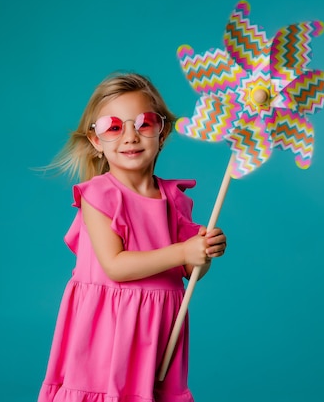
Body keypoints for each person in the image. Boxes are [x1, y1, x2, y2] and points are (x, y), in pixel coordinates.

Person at [38, 72, 227, 402]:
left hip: (157, 329)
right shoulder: (99, 196)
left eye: (144, 124)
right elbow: (115, 266)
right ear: (96, 141)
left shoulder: (174, 197)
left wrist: (203, 252)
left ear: (162, 132)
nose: (130, 137)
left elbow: (188, 270)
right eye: (114, 127)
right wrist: (184, 251)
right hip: (108, 330)